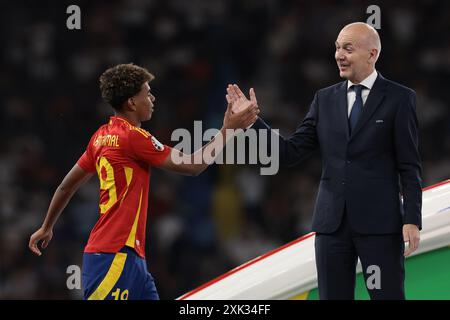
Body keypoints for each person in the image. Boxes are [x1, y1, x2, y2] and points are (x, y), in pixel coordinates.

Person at [28, 63, 259, 300]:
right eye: (147, 93)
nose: (153, 98)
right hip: (112, 258)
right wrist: (228, 130)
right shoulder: (133, 137)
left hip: (130, 258)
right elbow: (193, 165)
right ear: (131, 103)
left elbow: (66, 186)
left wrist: (47, 226)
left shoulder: (100, 137)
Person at [227, 22, 422, 300]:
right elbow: (290, 153)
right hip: (332, 228)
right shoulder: (324, 99)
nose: (339, 55)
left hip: (381, 225)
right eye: (337, 48)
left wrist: (412, 220)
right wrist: (251, 122)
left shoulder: (400, 98)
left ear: (372, 53)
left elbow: (409, 165)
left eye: (348, 48)